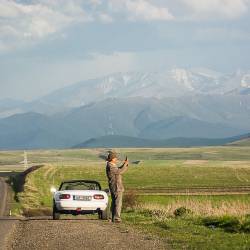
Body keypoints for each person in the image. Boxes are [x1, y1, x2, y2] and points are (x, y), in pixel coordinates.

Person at [106, 151, 129, 223]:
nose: (116, 159)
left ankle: (111, 217)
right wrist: (125, 164)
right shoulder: (111, 166)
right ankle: (116, 218)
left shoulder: (111, 165)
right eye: (115, 158)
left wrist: (124, 164)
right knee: (118, 202)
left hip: (115, 186)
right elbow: (119, 171)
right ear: (112, 159)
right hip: (116, 186)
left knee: (114, 202)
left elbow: (118, 169)